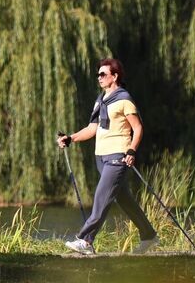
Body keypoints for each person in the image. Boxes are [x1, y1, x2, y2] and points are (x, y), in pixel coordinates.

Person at [57, 57, 157, 255]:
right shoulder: (100, 100)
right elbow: (92, 128)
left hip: (118, 156)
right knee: (124, 200)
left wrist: (131, 150)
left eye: (103, 74)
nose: (99, 78)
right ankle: (149, 236)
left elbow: (138, 129)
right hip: (101, 157)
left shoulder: (124, 100)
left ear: (115, 76)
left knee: (101, 198)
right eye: (98, 74)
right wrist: (71, 138)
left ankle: (85, 241)